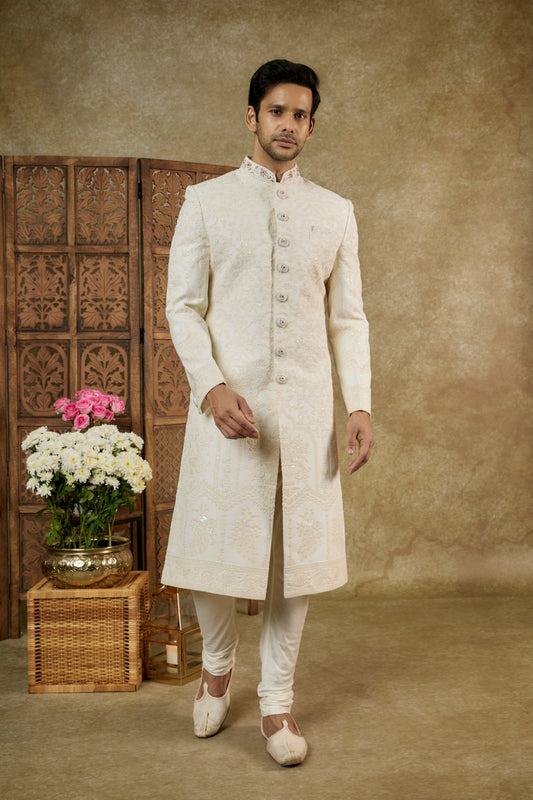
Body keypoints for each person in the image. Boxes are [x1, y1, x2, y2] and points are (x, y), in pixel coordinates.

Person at [162, 59, 374, 766]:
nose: (288, 125)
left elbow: (348, 319)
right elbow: (183, 307)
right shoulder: (205, 202)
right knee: (212, 556)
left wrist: (358, 403)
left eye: (301, 115)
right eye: (277, 111)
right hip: (228, 405)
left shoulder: (335, 212)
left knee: (295, 566)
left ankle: (277, 701)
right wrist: (211, 386)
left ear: (312, 126)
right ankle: (217, 667)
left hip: (306, 413)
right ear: (251, 116)